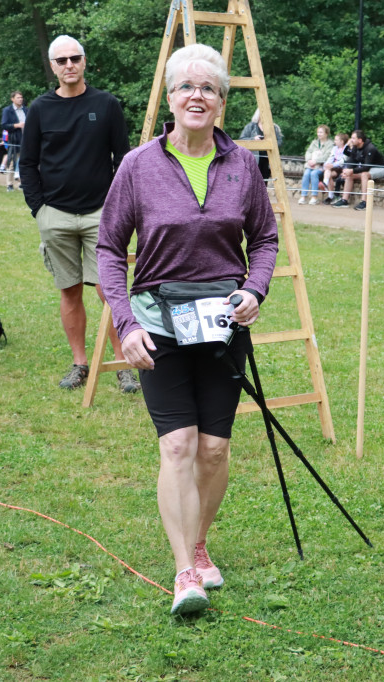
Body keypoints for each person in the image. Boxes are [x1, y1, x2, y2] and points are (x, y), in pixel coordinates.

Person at [98, 43, 278, 616]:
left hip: (223, 322)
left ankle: (200, 544)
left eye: (209, 88)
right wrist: (124, 322)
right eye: (186, 87)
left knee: (215, 448)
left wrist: (254, 289)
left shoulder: (243, 165)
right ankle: (183, 573)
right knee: (177, 443)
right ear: (170, 99)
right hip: (157, 323)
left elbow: (266, 240)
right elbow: (108, 247)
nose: (196, 96)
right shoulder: (138, 165)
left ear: (223, 102)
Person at [20, 34, 136, 393]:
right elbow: (28, 163)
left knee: (109, 290)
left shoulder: (106, 104)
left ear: (84, 61)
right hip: (54, 214)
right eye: (61, 60)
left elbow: (123, 159)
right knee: (69, 292)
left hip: (100, 213)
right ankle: (80, 363)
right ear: (52, 67)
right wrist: (39, 209)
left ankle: (123, 365)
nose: (69, 65)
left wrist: (116, 208)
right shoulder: (40, 109)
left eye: (75, 58)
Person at [332, 129, 384, 210]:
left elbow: (366, 167)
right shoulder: (355, 147)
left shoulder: (370, 148)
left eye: (353, 138)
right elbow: (351, 161)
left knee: (364, 174)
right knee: (349, 175)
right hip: (369, 168)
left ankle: (364, 202)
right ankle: (344, 200)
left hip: (381, 168)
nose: (351, 140)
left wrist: (352, 171)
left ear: (360, 140)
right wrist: (347, 171)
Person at [238, 108, 282, 180]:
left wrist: (269, 142)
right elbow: (241, 140)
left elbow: (279, 142)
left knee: (264, 183)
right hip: (253, 159)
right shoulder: (250, 126)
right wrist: (253, 139)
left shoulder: (274, 128)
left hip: (268, 160)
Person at [299, 125, 333, 205]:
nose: (319, 134)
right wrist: (309, 160)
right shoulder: (314, 142)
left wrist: (316, 161)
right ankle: (304, 196)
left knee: (314, 174)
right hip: (311, 165)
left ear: (326, 133)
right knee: (307, 173)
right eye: (318, 132)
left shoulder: (330, 144)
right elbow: (308, 152)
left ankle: (314, 196)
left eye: (321, 132)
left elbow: (327, 156)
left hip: (322, 166)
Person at [1, 91, 27, 191]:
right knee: (12, 162)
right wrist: (17, 125)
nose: (20, 99)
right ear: (12, 99)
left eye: (21, 97)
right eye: (18, 97)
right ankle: (9, 185)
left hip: (26, 140)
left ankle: (23, 183)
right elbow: (4, 125)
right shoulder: (7, 110)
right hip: (14, 139)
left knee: (25, 162)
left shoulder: (26, 109)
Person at [321, 132, 348, 204]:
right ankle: (328, 190)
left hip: (342, 168)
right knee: (328, 172)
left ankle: (326, 187)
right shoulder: (334, 148)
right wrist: (326, 165)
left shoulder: (346, 148)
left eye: (336, 140)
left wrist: (332, 165)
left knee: (328, 171)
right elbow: (331, 158)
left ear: (342, 141)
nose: (334, 141)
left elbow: (343, 161)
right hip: (335, 168)